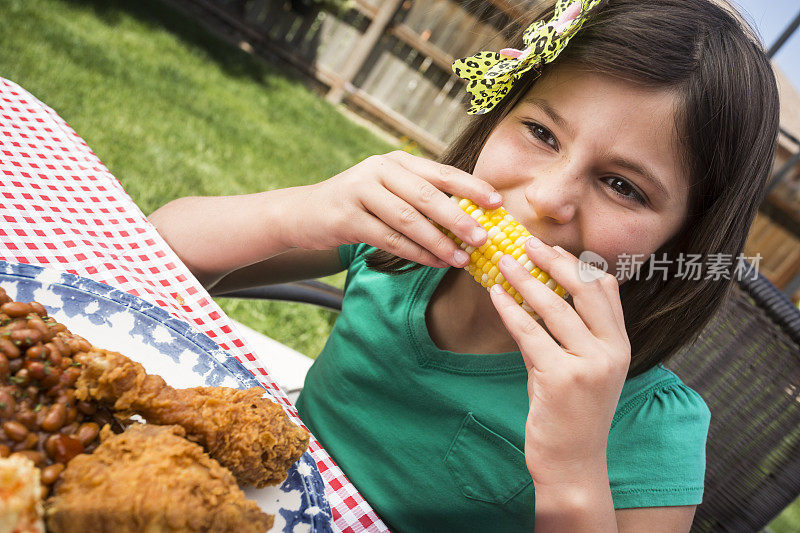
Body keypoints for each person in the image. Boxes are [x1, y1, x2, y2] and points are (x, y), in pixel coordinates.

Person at [148, 0, 780, 530]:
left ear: (681, 241)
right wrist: (303, 210)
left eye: (622, 186)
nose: (545, 199)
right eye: (541, 133)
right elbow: (158, 248)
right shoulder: (403, 239)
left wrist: (571, 465)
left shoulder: (652, 428)